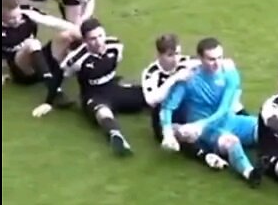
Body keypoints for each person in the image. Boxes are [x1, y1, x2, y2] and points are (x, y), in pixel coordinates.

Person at [158, 38, 261, 186]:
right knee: (231, 142)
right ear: (200, 58)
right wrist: (167, 132)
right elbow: (168, 107)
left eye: (219, 57)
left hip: (227, 120)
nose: (217, 63)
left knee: (266, 128)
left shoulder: (230, 74)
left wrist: (199, 125)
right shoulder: (189, 78)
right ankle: (249, 173)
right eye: (211, 59)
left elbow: (225, 108)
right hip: (207, 131)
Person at [56, 18, 145, 155]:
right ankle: (115, 135)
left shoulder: (115, 45)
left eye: (100, 36)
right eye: (92, 39)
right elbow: (61, 75)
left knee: (146, 95)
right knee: (102, 111)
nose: (98, 42)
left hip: (113, 88)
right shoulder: (77, 59)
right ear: (85, 41)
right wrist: (55, 95)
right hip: (93, 94)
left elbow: (115, 61)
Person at [141, 34, 226, 171]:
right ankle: (206, 156)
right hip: (163, 114)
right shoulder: (152, 73)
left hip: (186, 108)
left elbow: (212, 62)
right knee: (179, 136)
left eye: (178, 53)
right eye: (170, 55)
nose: (175, 59)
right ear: (159, 55)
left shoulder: (187, 62)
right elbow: (151, 100)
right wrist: (174, 79)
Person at [0, 0, 75, 112]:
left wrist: (79, 30)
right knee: (31, 43)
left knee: (67, 35)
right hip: (22, 70)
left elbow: (52, 22)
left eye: (18, 16)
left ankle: (96, 62)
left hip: (39, 60)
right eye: (12, 19)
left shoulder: (26, 13)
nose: (18, 20)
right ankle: (54, 91)